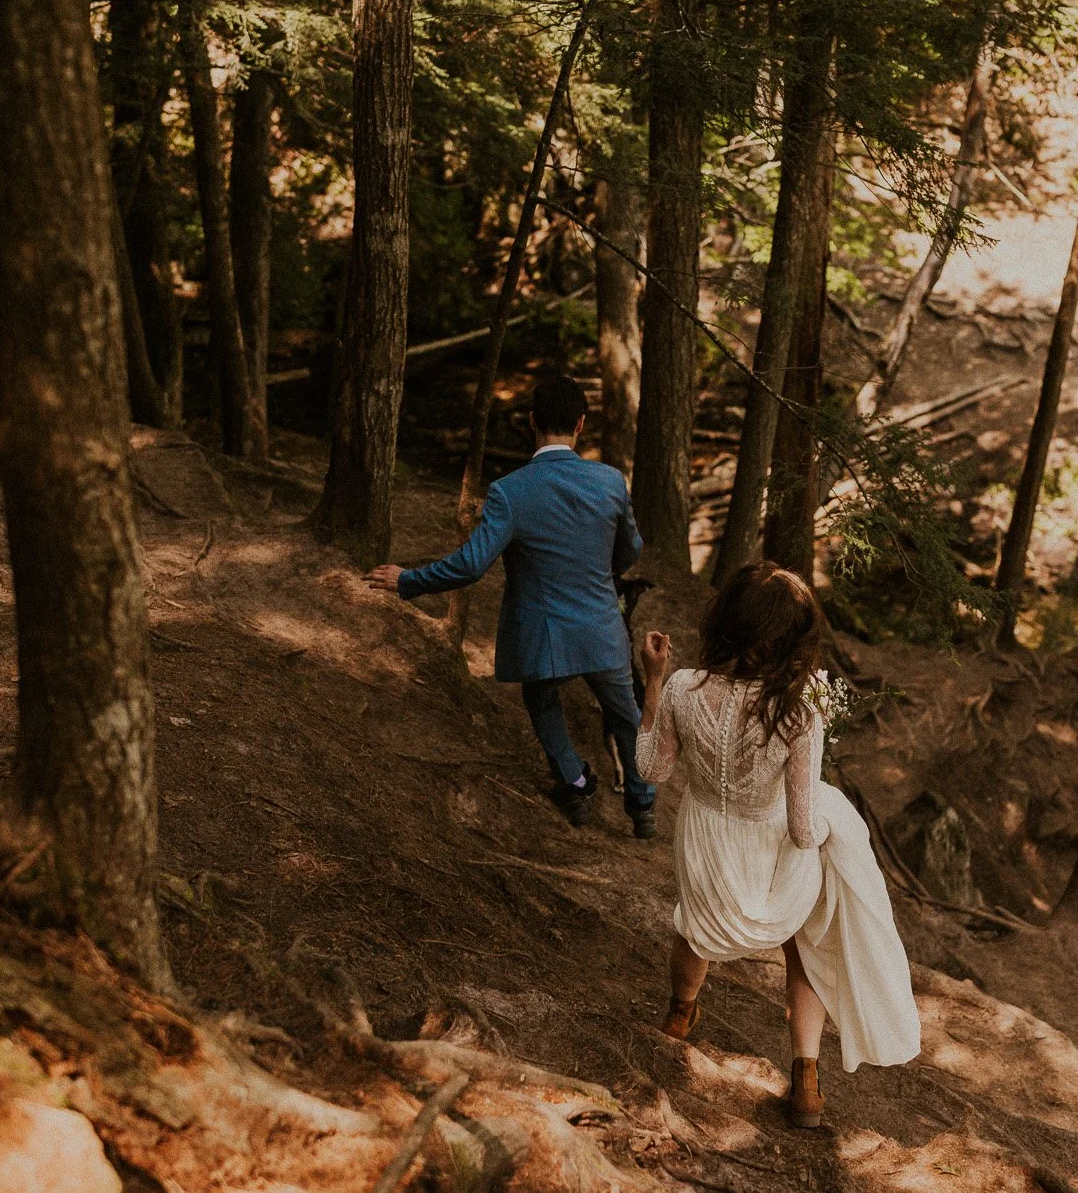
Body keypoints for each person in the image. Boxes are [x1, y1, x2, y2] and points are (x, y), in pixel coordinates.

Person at [636, 562, 920, 1128]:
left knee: (694, 927)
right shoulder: (799, 709)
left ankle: (676, 1019)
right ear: (791, 639)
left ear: (725, 622)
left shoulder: (684, 688)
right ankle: (807, 1083)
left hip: (706, 846)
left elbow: (650, 769)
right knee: (806, 943)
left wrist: (653, 678)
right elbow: (800, 828)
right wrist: (830, 831)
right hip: (773, 850)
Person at [366, 375, 657, 837]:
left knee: (542, 699)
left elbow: (471, 565)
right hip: (603, 628)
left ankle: (576, 782)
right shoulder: (609, 482)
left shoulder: (510, 491)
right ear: (581, 424)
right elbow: (630, 550)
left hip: (544, 639)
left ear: (532, 422)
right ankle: (642, 806)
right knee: (625, 714)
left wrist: (408, 580)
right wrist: (604, 571)